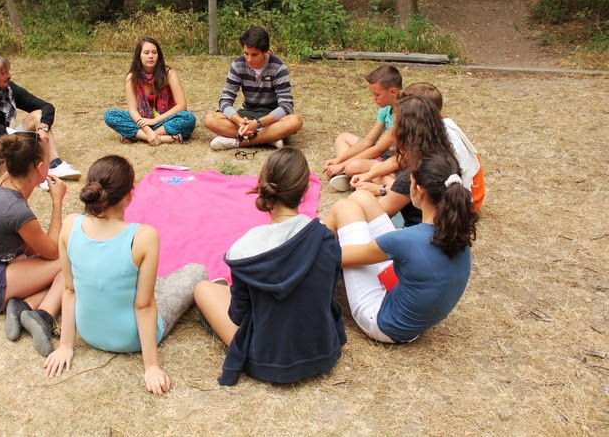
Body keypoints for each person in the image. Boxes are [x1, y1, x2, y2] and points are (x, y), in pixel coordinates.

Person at [42, 155, 207, 395]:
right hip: (132, 338)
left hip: (88, 332)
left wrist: (66, 346)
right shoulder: (144, 236)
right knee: (197, 270)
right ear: (130, 194)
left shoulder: (69, 224)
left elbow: (70, 289)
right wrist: (151, 367)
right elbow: (144, 306)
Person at [193, 147, 347, 386]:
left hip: (265, 360)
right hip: (322, 350)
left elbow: (238, 316)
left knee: (203, 288)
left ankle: (221, 290)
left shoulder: (245, 249)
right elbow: (325, 295)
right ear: (306, 188)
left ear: (264, 186)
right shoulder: (326, 239)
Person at [325, 152, 478, 343]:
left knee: (343, 208)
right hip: (411, 310)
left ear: (419, 191)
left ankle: (308, 276)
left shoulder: (406, 240)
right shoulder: (456, 231)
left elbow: (335, 256)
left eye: (409, 182)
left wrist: (314, 239)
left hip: (384, 322)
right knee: (362, 197)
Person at [0, 131, 66, 357]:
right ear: (39, 167)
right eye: (48, 161)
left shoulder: (5, 182)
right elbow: (52, 251)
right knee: (70, 262)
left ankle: (24, 306)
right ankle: (44, 315)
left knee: (58, 268)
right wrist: (57, 201)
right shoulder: (16, 209)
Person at [353, 90, 483, 227]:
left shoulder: (415, 173)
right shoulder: (444, 156)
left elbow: (380, 214)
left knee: (358, 201)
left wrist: (375, 193)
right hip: (443, 223)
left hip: (417, 228)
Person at [0, 53, 81, 180]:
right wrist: (14, 135)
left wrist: (43, 128)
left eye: (8, 71)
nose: (9, 75)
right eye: (3, 73)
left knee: (37, 115)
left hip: (4, 145)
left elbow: (46, 107)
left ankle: (54, 164)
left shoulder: (9, 89)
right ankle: (30, 172)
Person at [203, 27, 303, 150]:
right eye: (246, 53)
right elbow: (225, 101)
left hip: (271, 117)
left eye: (254, 55)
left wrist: (258, 123)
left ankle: (236, 142)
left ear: (266, 52)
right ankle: (270, 138)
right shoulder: (238, 65)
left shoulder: (278, 67)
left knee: (295, 121)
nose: (249, 59)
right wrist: (239, 121)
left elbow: (286, 106)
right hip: (248, 114)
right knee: (210, 119)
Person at [323, 65, 402, 192]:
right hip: (385, 154)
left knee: (352, 166)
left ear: (393, 92)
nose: (373, 98)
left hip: (392, 161)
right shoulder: (386, 109)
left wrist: (342, 164)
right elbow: (369, 141)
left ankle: (349, 175)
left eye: (377, 94)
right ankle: (347, 174)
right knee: (342, 138)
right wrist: (338, 160)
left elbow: (378, 149)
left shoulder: (404, 116)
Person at [104, 37, 196, 145]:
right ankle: (164, 138)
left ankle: (136, 136)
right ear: (139, 55)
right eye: (146, 53)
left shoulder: (169, 73)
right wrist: (147, 130)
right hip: (142, 122)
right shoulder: (131, 78)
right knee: (110, 115)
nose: (151, 56)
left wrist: (154, 121)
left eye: (154, 52)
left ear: (158, 55)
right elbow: (133, 110)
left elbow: (182, 106)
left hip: (165, 120)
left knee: (188, 118)